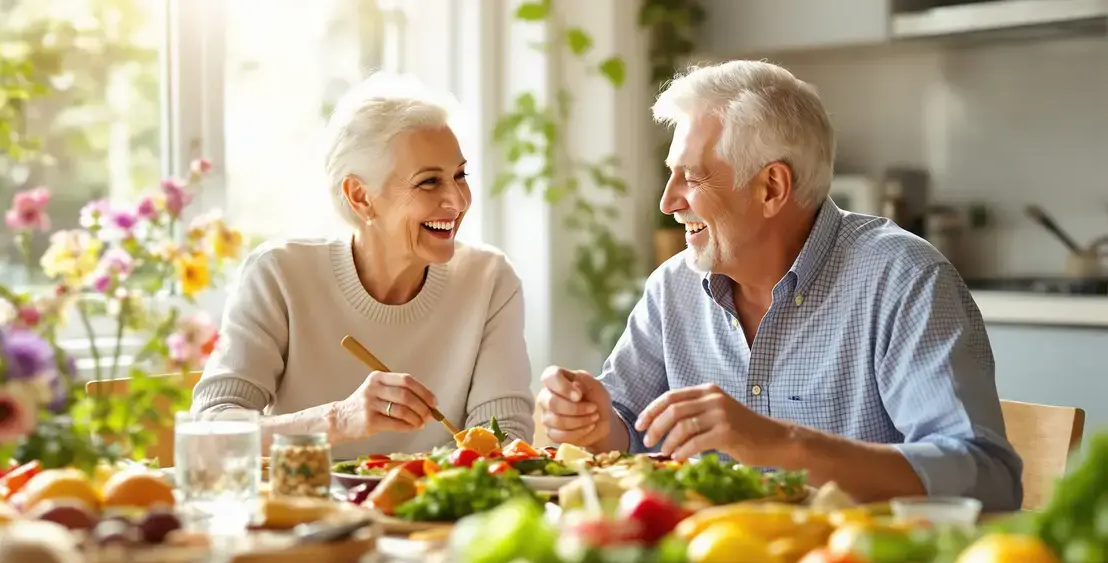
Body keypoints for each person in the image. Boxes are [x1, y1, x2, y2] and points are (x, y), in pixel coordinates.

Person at [536, 60, 1023, 510]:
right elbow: (627, 429)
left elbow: (988, 479)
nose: (667, 202)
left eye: (692, 178)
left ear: (771, 187)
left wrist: (781, 444)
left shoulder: (903, 279)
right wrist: (597, 424)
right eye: (671, 176)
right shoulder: (673, 288)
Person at [193, 73, 533, 459]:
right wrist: (339, 419)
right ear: (361, 197)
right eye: (428, 182)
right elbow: (209, 435)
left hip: (437, 517)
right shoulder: (280, 275)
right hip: (310, 514)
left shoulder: (489, 281)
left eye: (460, 175)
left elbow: (505, 443)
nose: (456, 201)